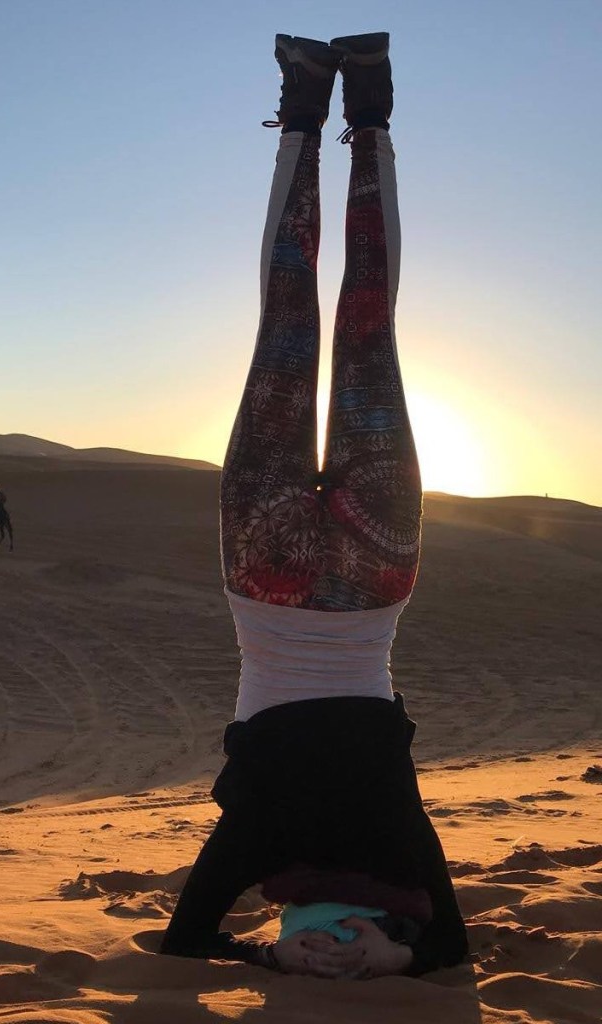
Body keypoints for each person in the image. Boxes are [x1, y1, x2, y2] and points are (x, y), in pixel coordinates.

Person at [160, 32, 468, 979]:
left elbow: (448, 949)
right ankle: (307, 105)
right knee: (291, 321)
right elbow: (190, 937)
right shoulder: (262, 837)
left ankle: (366, 109)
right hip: (270, 578)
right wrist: (263, 956)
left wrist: (390, 957)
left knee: (367, 324)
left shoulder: (396, 837)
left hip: (374, 582)